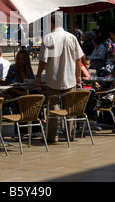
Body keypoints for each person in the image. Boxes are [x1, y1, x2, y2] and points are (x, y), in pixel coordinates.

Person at [36, 13, 83, 142]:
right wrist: (78, 76)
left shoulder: (49, 38)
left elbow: (43, 61)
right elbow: (79, 59)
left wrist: (39, 75)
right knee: (70, 108)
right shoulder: (71, 37)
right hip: (70, 78)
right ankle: (70, 134)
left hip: (53, 78)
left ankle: (52, 136)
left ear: (51, 23)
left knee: (53, 109)